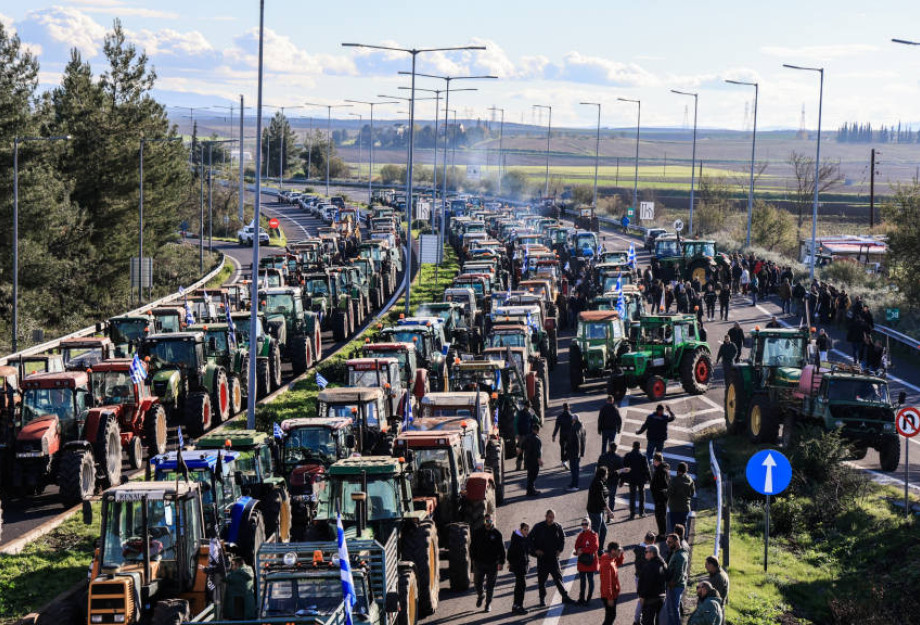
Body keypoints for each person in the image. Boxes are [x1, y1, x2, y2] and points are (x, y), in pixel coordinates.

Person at [529, 509, 575, 606]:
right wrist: (535, 551)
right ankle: (542, 599)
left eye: (553, 517)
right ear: (546, 516)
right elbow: (529, 540)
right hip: (542, 558)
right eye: (550, 516)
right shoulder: (538, 527)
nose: (551, 519)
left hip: (554, 558)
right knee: (542, 580)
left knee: (558, 578)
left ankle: (565, 597)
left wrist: (560, 550)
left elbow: (562, 539)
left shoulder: (558, 527)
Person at [470, 513, 505, 612]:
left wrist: (501, 562)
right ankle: (481, 595)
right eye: (486, 521)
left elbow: (501, 549)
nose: (488, 523)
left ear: (492, 521)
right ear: (484, 521)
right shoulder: (477, 533)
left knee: (490, 585)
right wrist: (473, 559)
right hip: (479, 563)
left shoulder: (497, 534)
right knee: (477, 583)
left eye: (489, 521)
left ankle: (488, 604)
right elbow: (472, 547)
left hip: (492, 564)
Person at [638, 543, 668, 625]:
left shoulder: (649, 566)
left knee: (647, 622)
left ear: (652, 553)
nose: (645, 553)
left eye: (646, 552)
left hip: (650, 599)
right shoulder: (663, 563)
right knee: (659, 621)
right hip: (661, 598)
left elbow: (646, 584)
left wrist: (642, 597)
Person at [573, 517, 600, 605]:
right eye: (583, 524)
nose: (584, 526)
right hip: (582, 561)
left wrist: (582, 550)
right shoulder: (581, 535)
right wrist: (577, 551)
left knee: (590, 580)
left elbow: (595, 547)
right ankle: (581, 599)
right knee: (582, 581)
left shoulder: (593, 534)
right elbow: (576, 545)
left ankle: (588, 599)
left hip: (590, 562)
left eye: (586, 524)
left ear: (589, 525)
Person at [586, 467, 615, 548]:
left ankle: (599, 549)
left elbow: (612, 474)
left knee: (603, 530)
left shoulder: (600, 481)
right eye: (606, 474)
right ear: (603, 475)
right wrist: (610, 512)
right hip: (595, 511)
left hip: (598, 510)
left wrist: (621, 471)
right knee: (596, 533)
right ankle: (594, 551)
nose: (607, 476)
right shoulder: (598, 483)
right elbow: (601, 500)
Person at [506, 522, 531, 615]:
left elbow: (527, 551)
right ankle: (518, 606)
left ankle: (516, 606)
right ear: (520, 529)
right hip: (519, 567)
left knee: (519, 586)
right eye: (525, 530)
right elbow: (510, 554)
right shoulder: (518, 540)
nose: (526, 532)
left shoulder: (521, 539)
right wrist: (512, 563)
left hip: (521, 567)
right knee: (521, 587)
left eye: (527, 530)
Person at [665, 533, 689, 625]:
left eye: (670, 542)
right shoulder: (679, 552)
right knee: (672, 607)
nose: (668, 544)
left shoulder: (680, 556)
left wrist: (672, 583)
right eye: (667, 542)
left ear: (677, 542)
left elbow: (679, 572)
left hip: (675, 586)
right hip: (676, 585)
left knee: (673, 608)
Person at [599, 542, 625, 625]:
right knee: (610, 617)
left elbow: (618, 563)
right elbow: (607, 583)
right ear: (613, 551)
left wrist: (621, 554)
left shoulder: (610, 558)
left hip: (612, 594)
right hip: (609, 595)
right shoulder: (607, 564)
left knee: (610, 616)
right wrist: (610, 598)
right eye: (618, 550)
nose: (619, 551)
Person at [623, 441, 651, 520]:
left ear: (632, 446)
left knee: (632, 496)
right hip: (641, 479)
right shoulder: (643, 457)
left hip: (631, 479)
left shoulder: (628, 455)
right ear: (639, 447)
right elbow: (647, 469)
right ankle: (641, 512)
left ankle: (632, 513)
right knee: (641, 495)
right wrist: (650, 479)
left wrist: (622, 479)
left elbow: (624, 468)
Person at [597, 441, 626, 513]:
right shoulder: (619, 458)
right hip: (614, 481)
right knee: (612, 498)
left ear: (609, 448)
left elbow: (598, 468)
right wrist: (622, 481)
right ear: (616, 449)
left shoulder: (602, 457)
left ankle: (602, 513)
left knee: (603, 497)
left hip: (603, 480)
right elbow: (621, 471)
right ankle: (610, 515)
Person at [667, 462, 696, 531]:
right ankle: (683, 539)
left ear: (678, 470)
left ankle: (675, 540)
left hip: (674, 508)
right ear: (686, 470)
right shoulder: (690, 479)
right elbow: (692, 493)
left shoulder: (674, 480)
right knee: (683, 526)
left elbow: (669, 493)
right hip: (685, 507)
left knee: (674, 527)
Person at [650, 453, 671, 539]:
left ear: (656, 460)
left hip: (660, 496)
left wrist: (656, 491)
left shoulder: (661, 471)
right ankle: (662, 533)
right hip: (662, 496)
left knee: (660, 515)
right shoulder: (664, 469)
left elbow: (662, 484)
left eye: (654, 460)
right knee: (661, 515)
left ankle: (662, 534)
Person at [566, 413, 587, 491]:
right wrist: (581, 452)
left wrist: (568, 450)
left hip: (574, 452)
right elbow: (584, 440)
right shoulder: (582, 427)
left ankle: (575, 485)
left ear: (574, 420)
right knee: (576, 469)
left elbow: (574, 441)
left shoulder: (574, 429)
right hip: (578, 452)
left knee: (574, 469)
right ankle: (573, 483)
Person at [515, 401, 538, 471]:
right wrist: (517, 434)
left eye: (529, 406)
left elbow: (537, 420)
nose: (528, 407)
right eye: (527, 406)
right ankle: (518, 466)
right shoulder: (519, 413)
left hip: (529, 436)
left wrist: (533, 414)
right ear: (524, 406)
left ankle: (526, 466)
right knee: (520, 451)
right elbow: (515, 424)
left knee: (527, 452)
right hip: (522, 435)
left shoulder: (531, 413)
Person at [522, 423, 543, 497]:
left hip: (527, 459)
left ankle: (529, 490)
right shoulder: (537, 439)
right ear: (537, 430)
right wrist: (539, 460)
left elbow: (522, 447)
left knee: (530, 475)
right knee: (533, 475)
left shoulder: (527, 437)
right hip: (534, 460)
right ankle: (531, 491)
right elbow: (538, 451)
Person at [551, 402, 573, 469]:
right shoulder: (571, 416)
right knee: (569, 449)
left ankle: (563, 460)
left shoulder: (560, 417)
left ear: (563, 408)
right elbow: (574, 427)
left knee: (562, 448)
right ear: (568, 408)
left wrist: (554, 435)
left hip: (562, 435)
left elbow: (557, 427)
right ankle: (565, 460)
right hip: (570, 435)